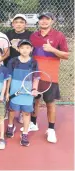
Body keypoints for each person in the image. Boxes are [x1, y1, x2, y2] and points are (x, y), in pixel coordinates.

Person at [28, 12, 69, 143]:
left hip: (51, 76)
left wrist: (53, 50)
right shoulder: (33, 36)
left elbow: (66, 55)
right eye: (42, 19)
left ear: (52, 21)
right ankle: (33, 123)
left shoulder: (59, 36)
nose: (44, 21)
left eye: (47, 19)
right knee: (35, 100)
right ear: (38, 22)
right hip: (35, 75)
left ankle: (51, 130)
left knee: (50, 103)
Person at [6, 40, 39, 146]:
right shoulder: (13, 61)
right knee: (12, 111)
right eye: (22, 48)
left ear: (31, 49)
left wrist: (34, 89)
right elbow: (8, 77)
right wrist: (7, 92)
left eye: (27, 48)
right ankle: (10, 126)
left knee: (26, 113)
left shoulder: (34, 62)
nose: (25, 50)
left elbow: (36, 77)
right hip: (14, 91)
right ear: (18, 49)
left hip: (27, 93)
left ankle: (25, 133)